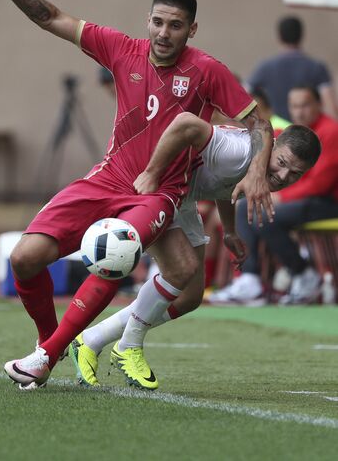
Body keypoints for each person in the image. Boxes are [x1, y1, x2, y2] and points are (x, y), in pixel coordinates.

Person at [0, 0, 274, 390]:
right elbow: (54, 18)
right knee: (24, 258)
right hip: (108, 177)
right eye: (158, 22)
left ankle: (47, 357)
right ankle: (48, 343)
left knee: (119, 253)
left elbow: (259, 124)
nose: (164, 33)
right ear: (147, 21)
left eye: (175, 25)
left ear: (192, 30)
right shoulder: (120, 48)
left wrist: (260, 172)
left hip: (160, 194)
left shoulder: (206, 70)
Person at [68, 115, 320, 389]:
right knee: (181, 269)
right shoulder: (239, 151)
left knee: (189, 297)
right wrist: (152, 173)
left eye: (295, 173)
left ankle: (89, 340)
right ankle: (127, 344)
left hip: (182, 196)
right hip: (158, 187)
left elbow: (225, 184)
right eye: (282, 163)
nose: (283, 176)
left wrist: (230, 230)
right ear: (272, 145)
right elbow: (185, 123)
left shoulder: (257, 168)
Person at [230, 85, 338, 305]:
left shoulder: (332, 131)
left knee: (268, 214)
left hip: (328, 202)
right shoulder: (290, 133)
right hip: (303, 200)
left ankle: (303, 273)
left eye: (305, 105)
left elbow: (320, 184)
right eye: (294, 106)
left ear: (319, 104)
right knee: (244, 206)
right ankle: (250, 279)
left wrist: (282, 197)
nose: (299, 112)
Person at [246, 16, 337, 120]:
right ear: (302, 35)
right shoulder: (317, 67)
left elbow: (243, 95)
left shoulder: (265, 68)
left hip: (278, 131)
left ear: (279, 37)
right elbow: (330, 108)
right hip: (308, 132)